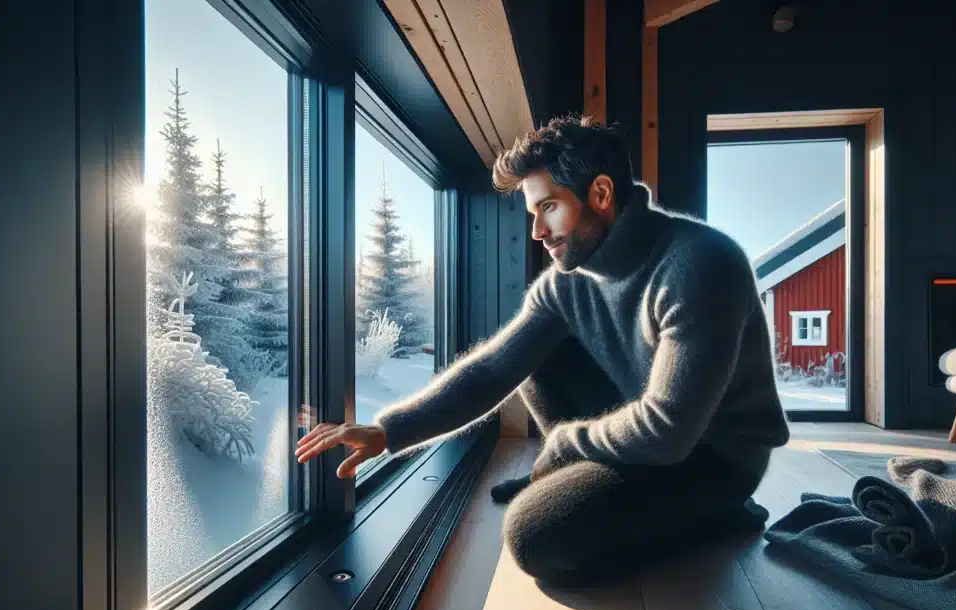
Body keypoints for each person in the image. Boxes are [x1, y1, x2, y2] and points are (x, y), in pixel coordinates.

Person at [296, 114, 790, 585]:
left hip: (714, 457)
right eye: (532, 213)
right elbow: (493, 370)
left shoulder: (700, 264)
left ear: (600, 193)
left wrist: (562, 445)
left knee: (533, 537)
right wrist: (389, 430)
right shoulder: (567, 282)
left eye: (548, 207)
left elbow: (668, 429)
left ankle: (723, 517)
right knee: (536, 356)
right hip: (648, 426)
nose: (537, 231)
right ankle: (576, 487)